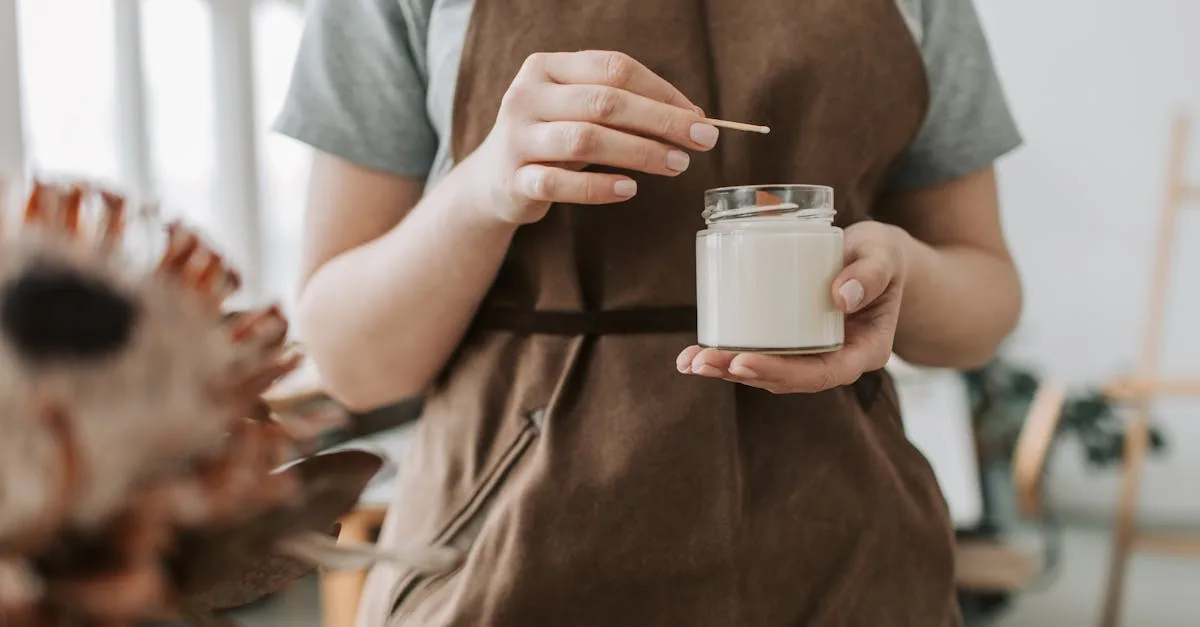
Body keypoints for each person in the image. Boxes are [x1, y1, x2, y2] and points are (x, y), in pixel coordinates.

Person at [274, 0, 1024, 623]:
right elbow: (354, 363)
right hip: (501, 560)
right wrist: (484, 190)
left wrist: (898, 272)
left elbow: (985, 304)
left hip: (849, 560)